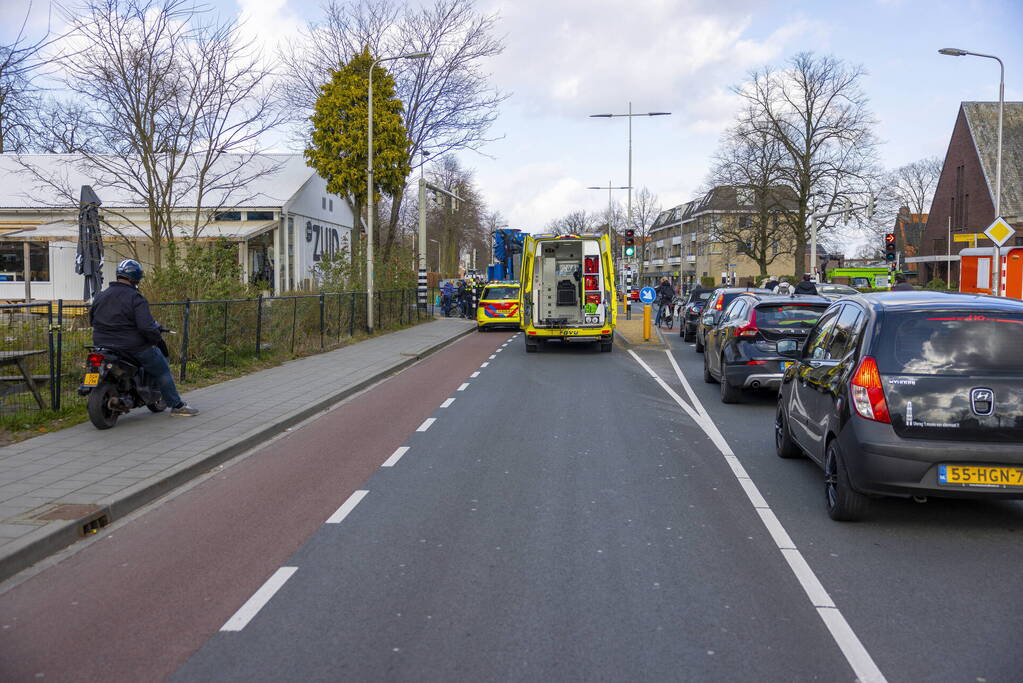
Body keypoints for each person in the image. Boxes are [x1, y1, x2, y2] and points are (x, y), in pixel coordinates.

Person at [89, 259, 199, 417]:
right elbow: (146, 327)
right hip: (132, 347)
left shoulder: (100, 296)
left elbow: (92, 320)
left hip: (102, 345)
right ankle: (177, 406)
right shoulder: (135, 298)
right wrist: (155, 339)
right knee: (161, 369)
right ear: (136, 278)